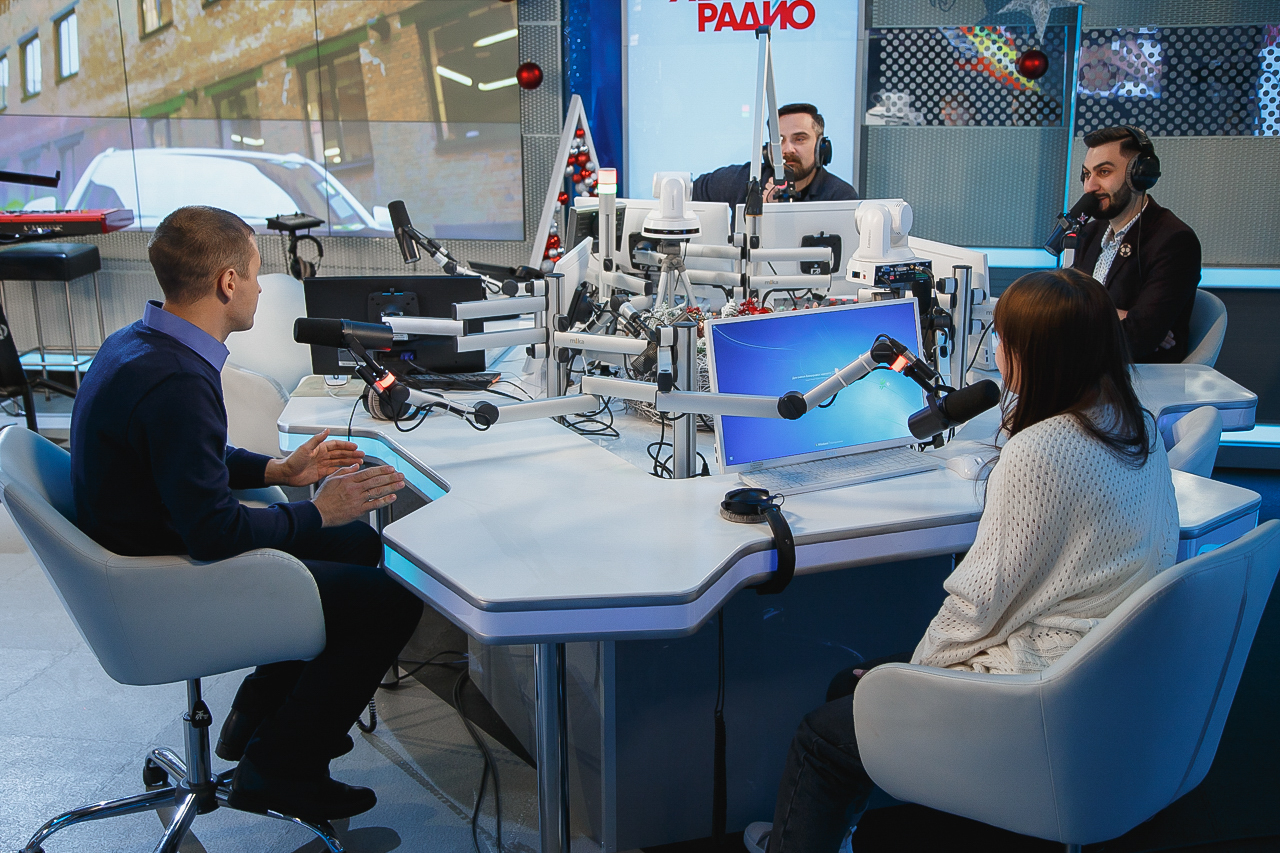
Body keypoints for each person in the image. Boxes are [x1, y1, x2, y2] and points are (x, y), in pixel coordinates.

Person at [744, 268, 1179, 853]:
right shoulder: (1136, 424)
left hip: (1038, 690)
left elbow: (977, 603)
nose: (995, 349)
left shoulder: (1038, 452)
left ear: (1034, 356)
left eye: (1002, 338)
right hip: (1110, 673)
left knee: (822, 737)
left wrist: (915, 680)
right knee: (849, 686)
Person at [69, 205, 424, 824]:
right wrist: (320, 511)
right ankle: (282, 770)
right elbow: (215, 532)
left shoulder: (141, 342)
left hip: (147, 536)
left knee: (360, 547)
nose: (260, 289)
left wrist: (277, 472)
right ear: (228, 282)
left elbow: (189, 458)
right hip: (161, 574)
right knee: (388, 602)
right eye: (256, 275)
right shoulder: (177, 381)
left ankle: (257, 717)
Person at [1071, 125, 1201, 363]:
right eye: (1087, 174)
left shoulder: (1174, 241)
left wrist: (1080, 315)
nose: (1089, 186)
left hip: (1137, 375)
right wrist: (1117, 314)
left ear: (1139, 175)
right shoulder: (1091, 232)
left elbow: (1138, 338)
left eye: (1104, 172)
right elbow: (1065, 302)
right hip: (1089, 368)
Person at [692, 103, 858, 211]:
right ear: (767, 150)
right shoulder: (743, 179)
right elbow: (687, 194)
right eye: (779, 140)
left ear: (821, 147)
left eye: (799, 139)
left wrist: (773, 217)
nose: (788, 149)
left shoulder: (840, 197)